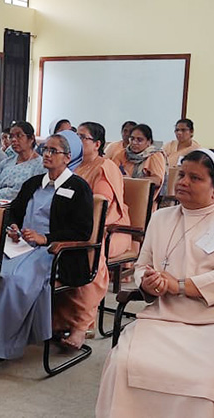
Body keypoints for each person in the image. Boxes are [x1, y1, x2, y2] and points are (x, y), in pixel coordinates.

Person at [96, 148, 214, 418]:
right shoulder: (162, 217)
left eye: (195, 178)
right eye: (182, 174)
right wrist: (148, 282)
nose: (183, 182)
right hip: (164, 315)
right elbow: (143, 265)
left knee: (207, 379)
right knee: (123, 363)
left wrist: (181, 285)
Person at [0, 133, 94, 378]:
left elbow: (82, 231)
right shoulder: (34, 182)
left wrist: (46, 238)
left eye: (53, 151)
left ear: (68, 157)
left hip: (53, 252)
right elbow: (14, 213)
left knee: (13, 282)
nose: (47, 155)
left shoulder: (78, 187)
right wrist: (14, 229)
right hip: (19, 245)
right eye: (45, 149)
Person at [53, 122, 130, 348]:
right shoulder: (73, 166)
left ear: (97, 144)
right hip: (77, 227)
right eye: (75, 136)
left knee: (89, 252)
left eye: (83, 137)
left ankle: (81, 325)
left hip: (110, 229)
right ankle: (56, 319)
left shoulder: (105, 167)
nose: (77, 139)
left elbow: (100, 207)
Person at [0, 121, 46, 201]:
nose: (13, 140)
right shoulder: (5, 163)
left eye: (19, 136)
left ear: (31, 138)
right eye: (11, 136)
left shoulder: (41, 165)